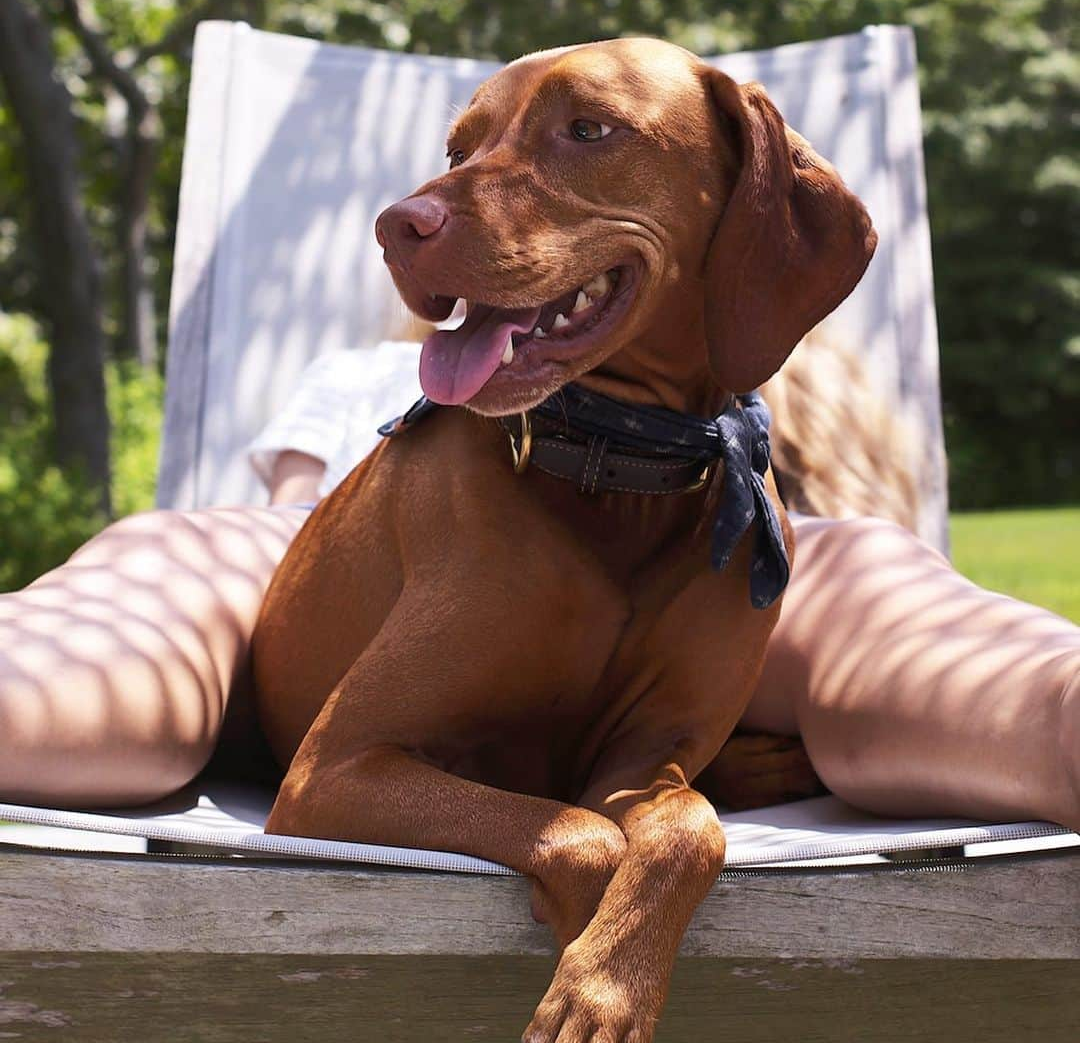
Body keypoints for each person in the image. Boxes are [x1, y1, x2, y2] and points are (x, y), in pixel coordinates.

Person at [1, 336, 1077, 833]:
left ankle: (1054, 712)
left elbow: (841, 501)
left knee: (860, 565)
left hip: (691, 572)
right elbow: (293, 510)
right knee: (186, 560)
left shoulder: (743, 343)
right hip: (347, 578)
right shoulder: (366, 371)